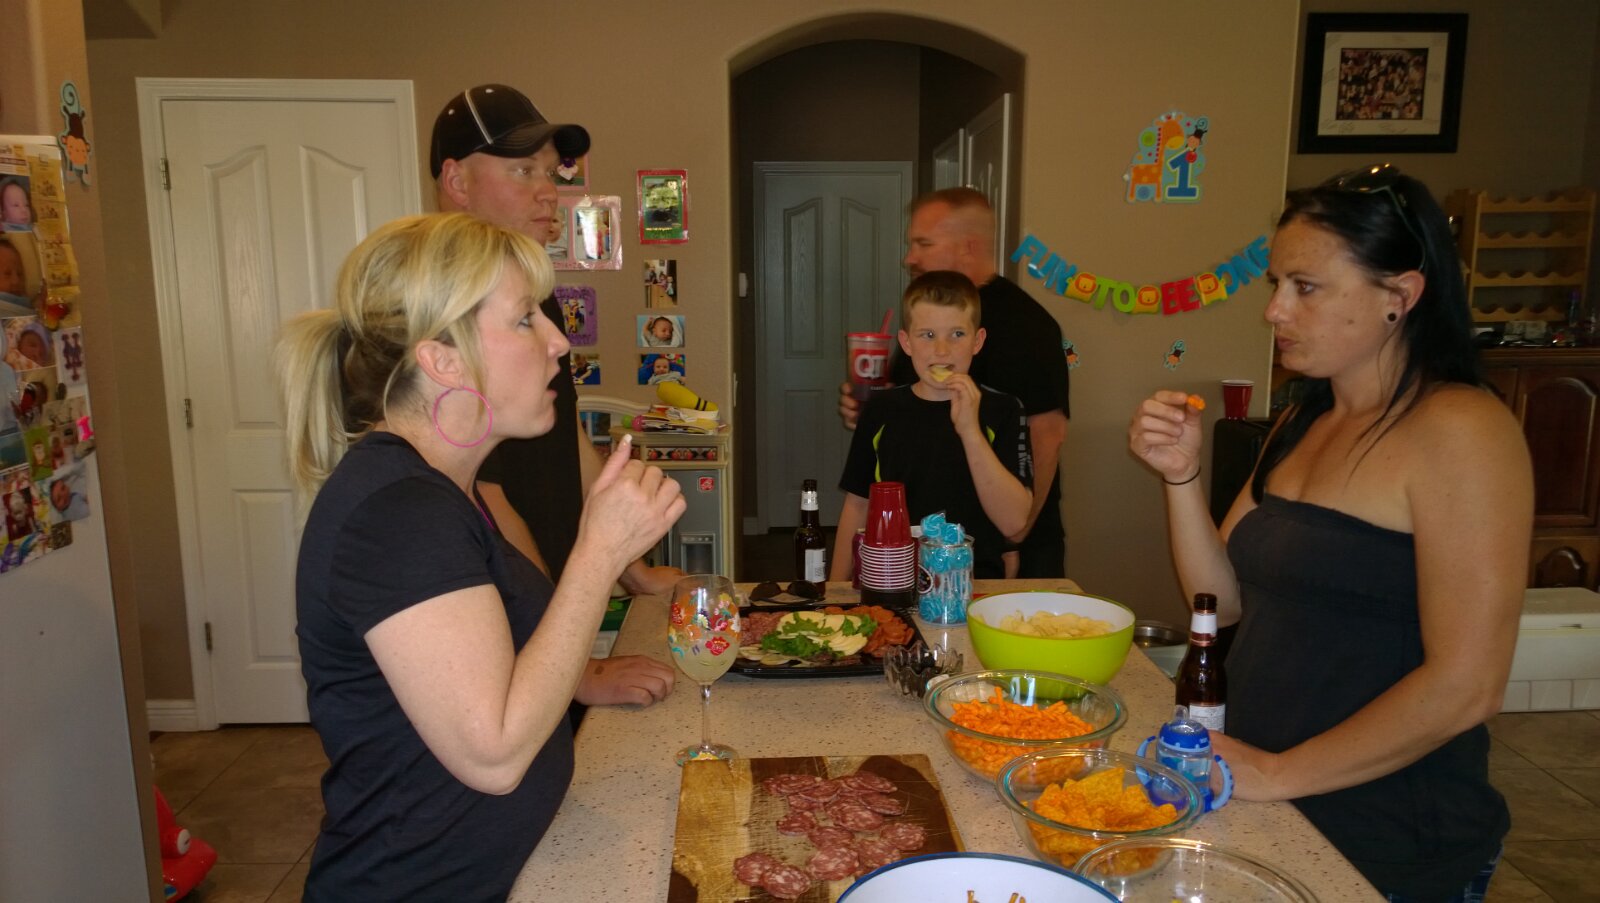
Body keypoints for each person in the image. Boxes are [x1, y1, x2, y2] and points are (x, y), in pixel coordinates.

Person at [1128, 164, 1532, 901]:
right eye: (1275, 283)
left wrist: (1278, 771)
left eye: (1306, 287)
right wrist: (1181, 477)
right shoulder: (1304, 416)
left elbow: (1468, 686)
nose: (1274, 310)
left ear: (1399, 296)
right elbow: (1222, 599)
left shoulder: (1463, 430)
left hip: (1386, 832)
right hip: (1269, 800)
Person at [277, 213, 685, 901]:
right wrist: (599, 552)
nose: (559, 341)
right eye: (525, 319)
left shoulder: (443, 491)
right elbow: (492, 754)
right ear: (442, 359)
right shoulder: (399, 513)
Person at [432, 83, 683, 597]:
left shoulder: (533, 296)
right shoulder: (439, 310)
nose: (549, 191)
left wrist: (633, 571)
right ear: (457, 181)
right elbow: (480, 493)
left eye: (550, 172)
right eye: (524, 170)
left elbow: (568, 436)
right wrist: (551, 612)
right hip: (496, 606)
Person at [838, 188, 1068, 577]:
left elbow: (1047, 438)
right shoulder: (921, 320)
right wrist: (867, 407)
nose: (910, 257)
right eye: (927, 336)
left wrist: (1014, 540)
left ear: (967, 247)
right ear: (908, 341)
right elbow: (866, 486)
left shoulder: (1028, 328)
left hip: (999, 552)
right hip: (903, 566)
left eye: (924, 243)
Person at [830, 270, 1031, 581]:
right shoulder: (881, 409)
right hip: (893, 581)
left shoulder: (1004, 410)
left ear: (977, 341)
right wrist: (836, 590)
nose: (941, 350)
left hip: (975, 584)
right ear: (906, 342)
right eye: (927, 335)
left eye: (957, 334)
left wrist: (970, 430)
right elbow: (857, 505)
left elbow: (1014, 522)